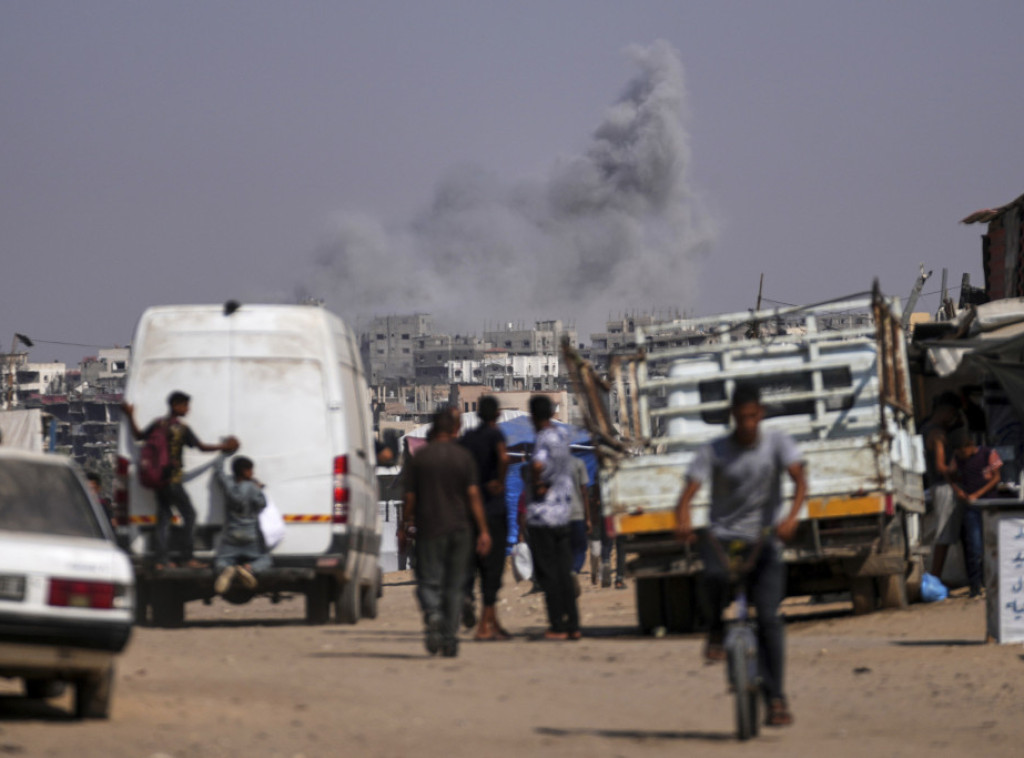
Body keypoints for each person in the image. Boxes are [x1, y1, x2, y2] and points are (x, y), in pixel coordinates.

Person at [673, 383, 806, 727]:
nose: (747, 423)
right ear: (732, 417)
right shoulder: (715, 450)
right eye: (740, 417)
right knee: (714, 577)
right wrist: (682, 517)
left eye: (752, 416)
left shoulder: (777, 443)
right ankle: (716, 630)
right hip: (723, 537)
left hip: (764, 540)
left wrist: (791, 518)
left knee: (769, 621)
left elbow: (799, 479)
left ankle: (776, 698)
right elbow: (689, 490)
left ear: (760, 414)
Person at [402, 407, 491, 657]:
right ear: (454, 428)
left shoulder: (420, 458)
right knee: (454, 584)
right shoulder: (463, 457)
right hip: (460, 530)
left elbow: (410, 497)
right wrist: (483, 530)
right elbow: (473, 495)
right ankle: (450, 637)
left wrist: (404, 525)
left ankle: (433, 615)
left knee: (429, 580)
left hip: (429, 528)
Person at [122, 391, 239, 570]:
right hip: (173, 479)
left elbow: (138, 436)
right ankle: (187, 557)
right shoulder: (180, 428)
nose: (187, 409)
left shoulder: (157, 424)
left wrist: (131, 415)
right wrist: (225, 447)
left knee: (163, 518)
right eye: (185, 405)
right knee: (190, 515)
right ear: (176, 405)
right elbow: (201, 447)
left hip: (158, 479)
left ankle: (161, 561)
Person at [526, 395, 581, 640]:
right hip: (563, 513)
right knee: (564, 571)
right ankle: (574, 624)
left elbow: (538, 465)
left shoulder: (542, 438)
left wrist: (537, 483)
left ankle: (557, 624)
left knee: (548, 573)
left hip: (543, 516)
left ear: (534, 416)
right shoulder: (561, 436)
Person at [458, 395, 511, 640]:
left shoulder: (467, 439)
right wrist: (499, 481)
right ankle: (484, 627)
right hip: (492, 508)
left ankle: (485, 614)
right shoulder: (495, 435)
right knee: (493, 568)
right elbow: (503, 457)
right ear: (497, 415)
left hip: (469, 509)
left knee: (472, 563)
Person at [948, 429, 1002, 598]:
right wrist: (958, 491)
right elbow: (950, 475)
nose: (961, 455)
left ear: (970, 446)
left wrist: (977, 495)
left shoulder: (988, 453)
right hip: (971, 507)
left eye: (962, 451)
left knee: (993, 545)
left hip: (990, 505)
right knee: (975, 547)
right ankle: (976, 586)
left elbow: (996, 477)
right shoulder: (957, 459)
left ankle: (994, 582)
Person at [212, 455, 272, 594]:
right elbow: (262, 504)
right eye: (251, 470)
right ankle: (248, 569)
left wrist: (224, 453)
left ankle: (227, 569)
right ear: (245, 471)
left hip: (231, 535)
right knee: (265, 560)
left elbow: (218, 472)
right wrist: (259, 489)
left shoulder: (228, 485)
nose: (253, 473)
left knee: (221, 560)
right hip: (251, 535)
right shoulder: (252, 488)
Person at [922, 392, 965, 580]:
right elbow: (941, 467)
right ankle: (935, 578)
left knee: (945, 534)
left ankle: (936, 577)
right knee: (944, 535)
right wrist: (957, 468)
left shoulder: (925, 427)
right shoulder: (938, 434)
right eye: (953, 414)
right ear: (946, 411)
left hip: (936, 486)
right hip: (944, 486)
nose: (953, 419)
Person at [568, 456, 591, 593]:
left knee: (565, 549)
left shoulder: (550, 464)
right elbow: (584, 491)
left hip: (558, 516)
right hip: (577, 513)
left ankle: (567, 577)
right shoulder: (578, 463)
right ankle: (574, 571)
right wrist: (587, 518)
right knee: (580, 548)